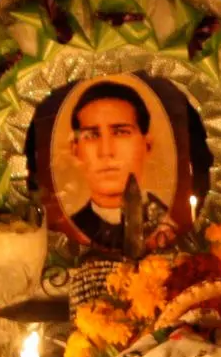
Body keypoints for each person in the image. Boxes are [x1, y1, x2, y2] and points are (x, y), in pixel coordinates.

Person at [65, 80, 175, 251]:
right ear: (75, 150)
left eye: (120, 132)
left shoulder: (172, 224)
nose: (106, 151)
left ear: (147, 145)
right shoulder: (69, 231)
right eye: (92, 135)